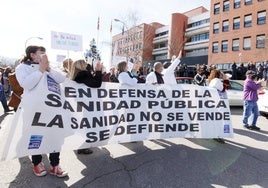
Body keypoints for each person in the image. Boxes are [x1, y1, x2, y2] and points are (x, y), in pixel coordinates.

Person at [15, 45, 68, 177]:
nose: (44, 55)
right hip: (34, 109)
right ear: (32, 55)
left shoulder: (49, 67)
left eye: (45, 53)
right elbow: (26, 84)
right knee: (36, 136)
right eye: (41, 53)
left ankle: (55, 165)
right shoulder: (22, 68)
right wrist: (40, 70)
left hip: (52, 108)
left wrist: (48, 68)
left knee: (55, 135)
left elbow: (61, 79)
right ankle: (37, 163)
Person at [69, 59, 103, 154]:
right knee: (86, 126)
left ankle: (81, 145)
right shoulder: (83, 75)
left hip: (81, 105)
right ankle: (82, 147)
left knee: (82, 125)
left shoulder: (77, 75)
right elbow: (96, 84)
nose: (87, 64)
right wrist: (98, 71)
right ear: (81, 66)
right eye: (85, 63)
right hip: (86, 105)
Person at [207, 69, 230, 144]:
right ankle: (218, 135)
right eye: (221, 74)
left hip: (216, 102)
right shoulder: (216, 80)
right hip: (219, 103)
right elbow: (223, 89)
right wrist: (226, 79)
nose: (222, 75)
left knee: (217, 120)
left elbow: (225, 87)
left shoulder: (213, 80)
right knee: (220, 120)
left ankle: (216, 134)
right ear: (217, 74)